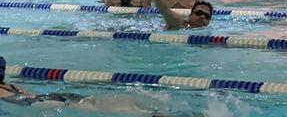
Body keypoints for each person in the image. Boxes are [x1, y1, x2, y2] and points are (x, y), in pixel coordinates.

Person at [0, 57, 166, 115]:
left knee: (97, 109)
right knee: (96, 102)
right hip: (48, 97)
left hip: (45, 103)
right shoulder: (11, 86)